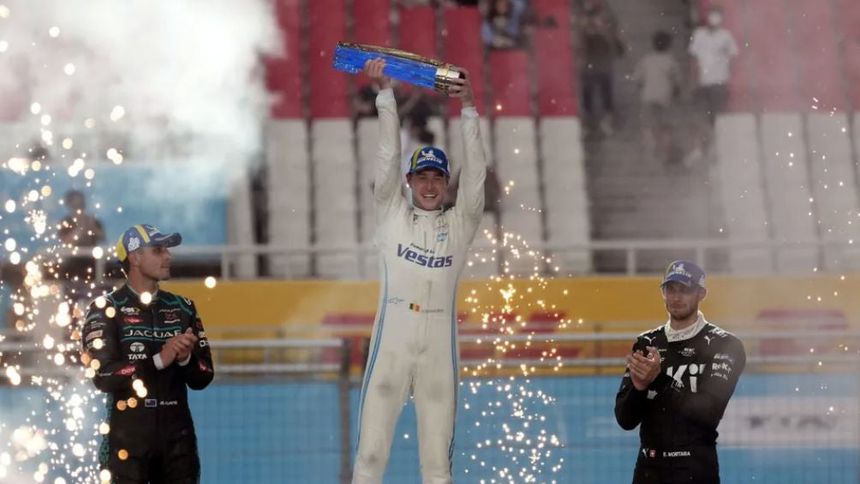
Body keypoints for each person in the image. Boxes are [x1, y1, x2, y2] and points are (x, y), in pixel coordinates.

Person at [352, 58, 486, 484]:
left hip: (438, 356)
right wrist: (385, 95)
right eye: (421, 177)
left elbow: (476, 176)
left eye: (437, 178)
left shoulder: (460, 224)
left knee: (437, 467)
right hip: (390, 347)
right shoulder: (391, 214)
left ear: (446, 184)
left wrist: (468, 108)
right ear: (408, 181)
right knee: (370, 458)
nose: (429, 185)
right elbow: (387, 156)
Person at [82, 224, 214, 483]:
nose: (168, 256)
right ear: (135, 257)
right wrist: (158, 360)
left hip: (178, 444)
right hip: (127, 445)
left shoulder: (183, 307)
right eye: (158, 250)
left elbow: (204, 376)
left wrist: (186, 358)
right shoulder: (105, 308)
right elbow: (103, 375)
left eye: (167, 250)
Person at [615, 260, 746, 484]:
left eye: (685, 290)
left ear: (701, 294)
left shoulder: (725, 345)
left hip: (694, 469)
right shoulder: (647, 343)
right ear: (663, 293)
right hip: (648, 469)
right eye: (671, 289)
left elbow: (708, 413)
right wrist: (639, 388)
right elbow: (625, 420)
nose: (676, 297)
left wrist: (659, 380)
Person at [685, 6, 738, 164]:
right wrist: (692, 81)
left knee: (717, 118)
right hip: (702, 83)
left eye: (717, 15)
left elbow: (733, 57)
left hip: (719, 82)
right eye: (711, 15)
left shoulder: (726, 36)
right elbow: (693, 59)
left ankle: (715, 149)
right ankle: (698, 149)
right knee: (698, 117)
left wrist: (727, 76)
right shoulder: (698, 34)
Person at [632, 31, 682, 162]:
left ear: (653, 44)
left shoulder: (646, 60)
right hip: (665, 97)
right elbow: (677, 82)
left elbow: (637, 79)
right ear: (669, 45)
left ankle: (650, 150)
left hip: (648, 97)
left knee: (647, 125)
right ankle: (665, 151)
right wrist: (677, 93)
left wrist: (644, 87)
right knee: (666, 125)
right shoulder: (671, 61)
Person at [577, 0, 625, 136]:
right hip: (591, 63)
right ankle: (589, 123)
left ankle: (602, 122)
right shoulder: (581, 19)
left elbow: (616, 40)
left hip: (600, 63)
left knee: (604, 93)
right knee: (589, 94)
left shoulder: (607, 17)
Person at [57, 189, 106, 287]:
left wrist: (91, 227)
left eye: (81, 204)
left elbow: (103, 237)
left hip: (91, 261)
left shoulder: (92, 221)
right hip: (72, 262)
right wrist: (79, 230)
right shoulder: (66, 222)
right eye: (76, 205)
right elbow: (65, 241)